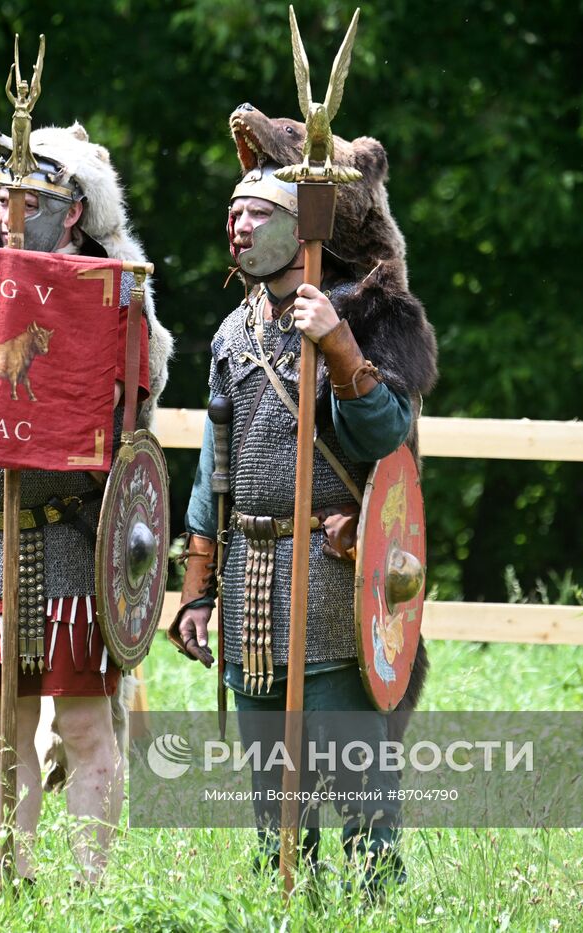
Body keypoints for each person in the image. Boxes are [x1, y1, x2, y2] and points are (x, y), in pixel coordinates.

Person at [168, 153, 437, 894]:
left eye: (256, 213)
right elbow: (211, 471)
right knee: (271, 778)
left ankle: (378, 896)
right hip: (251, 575)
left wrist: (339, 344)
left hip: (330, 574)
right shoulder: (231, 333)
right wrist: (196, 588)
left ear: (300, 226)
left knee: (356, 768)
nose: (239, 224)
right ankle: (290, 895)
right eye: (233, 211)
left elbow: (389, 436)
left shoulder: (362, 311)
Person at [0, 123, 171, 886]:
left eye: (29, 198)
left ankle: (90, 891)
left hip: (70, 534)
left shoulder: (110, 297)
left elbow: (134, 416)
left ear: (72, 212)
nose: (9, 212)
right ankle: (10, 882)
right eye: (1, 197)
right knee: (0, 731)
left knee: (88, 725)